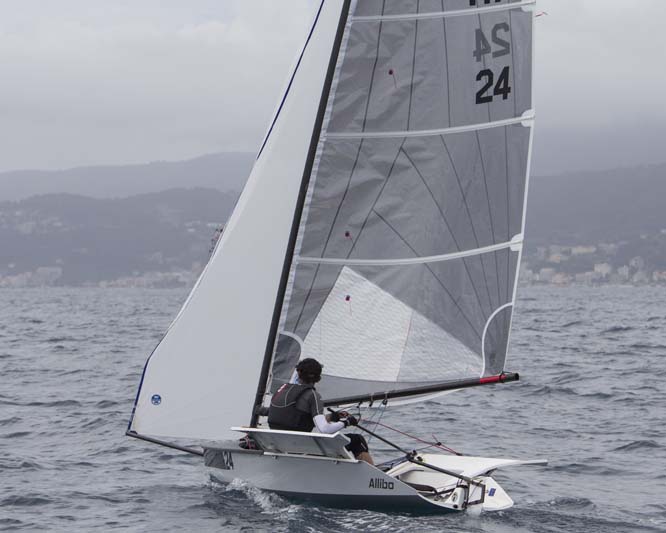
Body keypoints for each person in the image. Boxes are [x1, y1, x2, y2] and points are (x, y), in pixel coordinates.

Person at [266, 358, 374, 464]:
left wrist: (333, 417)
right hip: (303, 449)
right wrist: (347, 422)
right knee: (357, 440)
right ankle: (372, 474)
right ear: (318, 378)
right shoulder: (312, 396)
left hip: (280, 445)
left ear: (298, 373)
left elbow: (296, 418)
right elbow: (325, 430)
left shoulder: (282, 389)